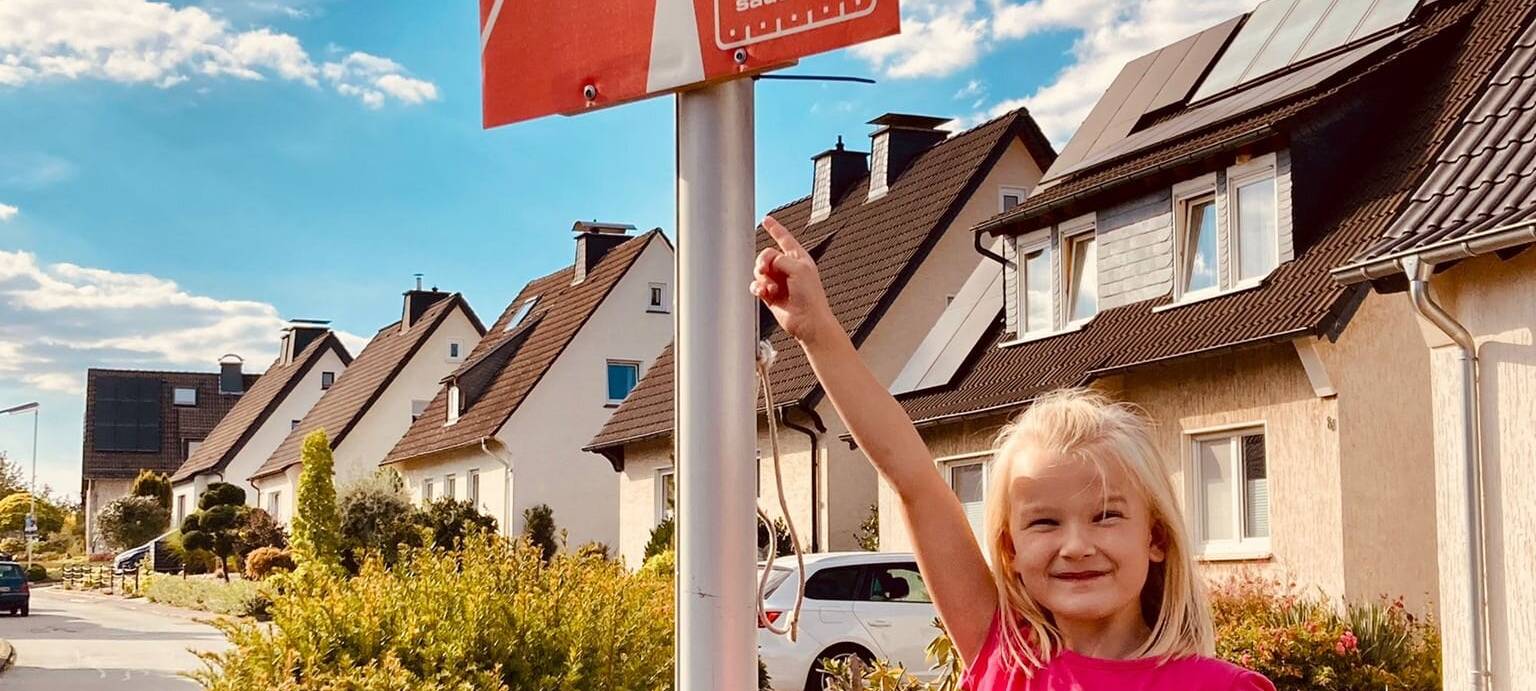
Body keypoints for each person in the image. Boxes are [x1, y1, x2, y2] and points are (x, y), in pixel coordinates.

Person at [750, 216, 1275, 690]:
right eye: (1044, 522)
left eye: (1106, 515)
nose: (1076, 545)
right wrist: (817, 332)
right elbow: (913, 478)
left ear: (1155, 536)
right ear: (1009, 551)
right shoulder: (1001, 649)